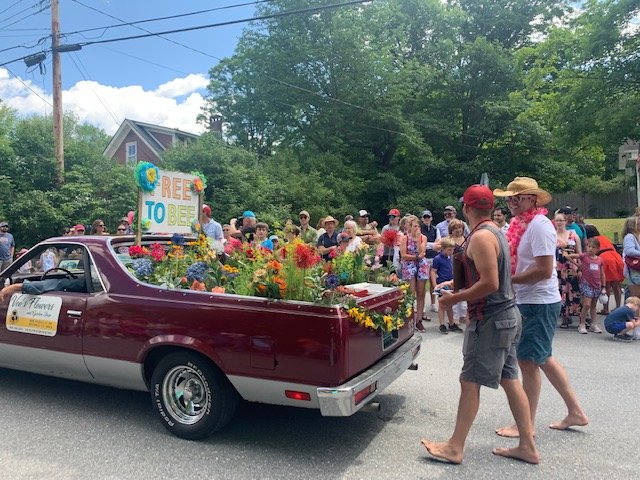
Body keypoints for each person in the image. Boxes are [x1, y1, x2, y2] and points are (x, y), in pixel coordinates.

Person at [421, 184, 539, 465]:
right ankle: (528, 446)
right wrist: (454, 284)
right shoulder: (493, 231)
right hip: (506, 317)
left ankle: (455, 447)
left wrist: (454, 299)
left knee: (469, 380)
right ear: (489, 207)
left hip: (490, 319)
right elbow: (487, 275)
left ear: (465, 208)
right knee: (510, 379)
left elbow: (490, 283)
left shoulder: (482, 238)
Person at [493, 176, 588, 438]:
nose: (511, 202)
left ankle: (526, 425)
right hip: (529, 300)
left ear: (532, 200)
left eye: (517, 197)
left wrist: (507, 280)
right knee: (542, 356)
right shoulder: (519, 224)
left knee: (528, 361)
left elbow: (545, 271)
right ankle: (575, 412)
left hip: (538, 303)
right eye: (509, 198)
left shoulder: (540, 226)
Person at [566, 238, 605, 334]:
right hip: (586, 283)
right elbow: (569, 256)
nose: (590, 249)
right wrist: (578, 265)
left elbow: (602, 273)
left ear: (597, 249)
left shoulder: (600, 260)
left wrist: (603, 286)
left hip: (597, 284)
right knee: (587, 304)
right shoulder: (584, 256)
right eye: (589, 246)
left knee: (593, 305)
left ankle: (594, 324)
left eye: (593, 247)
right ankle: (582, 324)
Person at [584, 225, 624, 315]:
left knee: (606, 284)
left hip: (605, 259)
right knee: (616, 284)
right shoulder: (603, 238)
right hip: (616, 258)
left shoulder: (592, 240)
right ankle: (618, 307)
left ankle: (605, 308)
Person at [400, 216, 429, 332]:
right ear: (410, 227)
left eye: (418, 226)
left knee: (421, 293)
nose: (417, 228)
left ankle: (419, 320)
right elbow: (403, 255)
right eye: (414, 226)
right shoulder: (404, 238)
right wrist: (415, 257)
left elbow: (422, 252)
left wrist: (417, 241)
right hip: (409, 265)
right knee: (411, 293)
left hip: (421, 265)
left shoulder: (423, 238)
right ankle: (410, 318)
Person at [554, 212, 582, 327]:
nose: (559, 223)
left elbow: (579, 253)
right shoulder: (552, 235)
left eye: (561, 220)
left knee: (575, 290)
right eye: (557, 220)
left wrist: (580, 268)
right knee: (561, 291)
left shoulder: (573, 235)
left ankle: (579, 316)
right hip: (558, 268)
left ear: (566, 222)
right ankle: (565, 318)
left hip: (572, 268)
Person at [430, 237, 460, 334]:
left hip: (451, 284)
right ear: (443, 249)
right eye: (449, 250)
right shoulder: (437, 259)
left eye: (452, 250)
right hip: (441, 284)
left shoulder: (452, 258)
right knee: (442, 304)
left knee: (450, 304)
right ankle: (442, 324)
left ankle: (451, 323)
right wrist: (435, 285)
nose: (451, 252)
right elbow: (433, 272)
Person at [420, 209, 441, 315]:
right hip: (424, 258)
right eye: (425, 217)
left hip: (434, 258)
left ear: (431, 218)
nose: (427, 219)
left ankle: (433, 303)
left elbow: (439, 244)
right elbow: (421, 244)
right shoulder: (420, 229)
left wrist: (429, 245)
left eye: (428, 217)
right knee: (423, 282)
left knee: (433, 282)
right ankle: (422, 305)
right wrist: (432, 245)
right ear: (422, 219)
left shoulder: (435, 229)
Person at [622, 216, 640, 298]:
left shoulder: (635, 237)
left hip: (635, 271)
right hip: (634, 271)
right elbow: (629, 251)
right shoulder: (629, 237)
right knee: (635, 297)